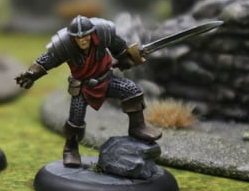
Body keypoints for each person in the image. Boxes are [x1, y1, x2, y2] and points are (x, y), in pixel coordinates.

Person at [15, 15, 160, 167]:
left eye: (86, 36)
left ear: (92, 33)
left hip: (106, 81)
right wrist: (31, 74)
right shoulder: (66, 45)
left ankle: (137, 127)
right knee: (75, 120)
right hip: (82, 88)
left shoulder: (103, 34)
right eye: (78, 38)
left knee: (131, 90)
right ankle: (70, 149)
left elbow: (120, 48)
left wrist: (129, 57)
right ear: (73, 38)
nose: (83, 40)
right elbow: (48, 59)